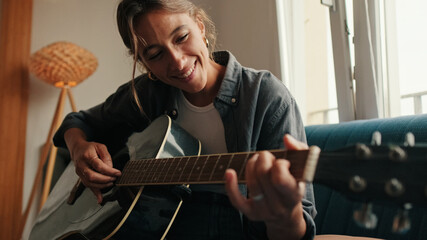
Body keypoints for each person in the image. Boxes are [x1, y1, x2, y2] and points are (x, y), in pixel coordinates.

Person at [53, 0, 316, 239]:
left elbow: (298, 229)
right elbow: (76, 122)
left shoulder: (266, 97)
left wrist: (285, 213)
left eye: (181, 37)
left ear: (200, 26)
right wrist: (79, 150)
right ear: (143, 62)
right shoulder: (149, 93)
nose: (177, 62)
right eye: (155, 55)